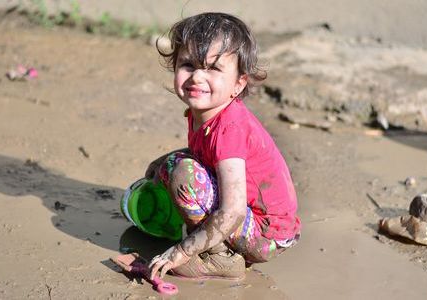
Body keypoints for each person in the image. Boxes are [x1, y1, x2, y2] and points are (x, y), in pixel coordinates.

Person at [121, 12, 301, 281]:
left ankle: (218, 257)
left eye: (213, 68)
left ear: (238, 84)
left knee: (182, 173)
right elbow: (199, 154)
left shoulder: (230, 128)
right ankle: (210, 241)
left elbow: (234, 211)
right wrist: (158, 167)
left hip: (267, 232)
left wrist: (181, 251)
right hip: (253, 221)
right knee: (170, 164)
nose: (197, 77)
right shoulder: (202, 113)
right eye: (188, 65)